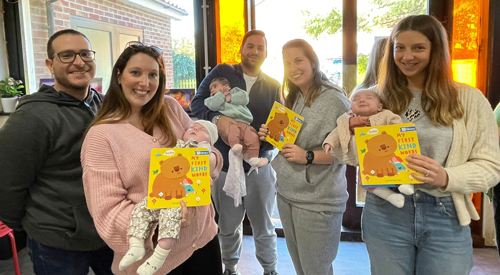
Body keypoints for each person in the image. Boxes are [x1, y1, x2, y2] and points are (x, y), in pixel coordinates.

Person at [343, 15, 500, 274]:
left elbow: (491, 167)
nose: (407, 56)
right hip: (386, 211)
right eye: (400, 47)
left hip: (445, 214)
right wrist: (350, 135)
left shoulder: (469, 100)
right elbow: (347, 156)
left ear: (436, 51)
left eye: (418, 48)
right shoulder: (373, 98)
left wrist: (446, 176)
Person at [81, 41, 223, 275]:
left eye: (153, 75)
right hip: (155, 263)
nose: (145, 83)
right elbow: (108, 212)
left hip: (204, 241)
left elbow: (208, 151)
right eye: (135, 72)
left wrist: (209, 163)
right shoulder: (101, 136)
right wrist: (163, 217)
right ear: (119, 75)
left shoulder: (170, 108)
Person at [0, 29, 114, 274]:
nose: (79, 62)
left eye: (85, 54)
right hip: (58, 241)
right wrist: (33, 226)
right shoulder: (31, 118)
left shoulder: (104, 105)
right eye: (67, 55)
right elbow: (9, 183)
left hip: (107, 229)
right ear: (50, 65)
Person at [190, 30, 281, 275]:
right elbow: (197, 104)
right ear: (241, 49)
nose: (255, 52)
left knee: (264, 225)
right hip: (226, 166)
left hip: (258, 165)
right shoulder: (222, 72)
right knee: (228, 225)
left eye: (260, 47)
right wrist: (218, 119)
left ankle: (270, 269)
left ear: (266, 52)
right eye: (250, 46)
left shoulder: (273, 85)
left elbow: (279, 126)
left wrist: (267, 139)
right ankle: (229, 268)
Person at [258, 39, 351, 275]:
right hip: (289, 193)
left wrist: (307, 156)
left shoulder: (334, 100)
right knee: (301, 267)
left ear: (313, 62)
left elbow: (348, 151)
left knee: (315, 269)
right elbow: (292, 140)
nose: (293, 68)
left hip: (318, 200)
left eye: (298, 60)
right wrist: (271, 134)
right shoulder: (296, 96)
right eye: (287, 63)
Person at [119, 120, 222, 275]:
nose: (194, 128)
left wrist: (203, 168)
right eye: (192, 127)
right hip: (162, 193)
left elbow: (199, 174)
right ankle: (136, 244)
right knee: (141, 209)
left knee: (172, 217)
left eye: (202, 130)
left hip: (180, 199)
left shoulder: (202, 149)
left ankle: (159, 255)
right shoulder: (176, 146)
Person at [322, 89, 413, 208]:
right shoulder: (346, 121)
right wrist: (329, 143)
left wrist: (400, 134)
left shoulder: (385, 115)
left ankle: (406, 183)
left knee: (399, 167)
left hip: (387, 155)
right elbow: (337, 132)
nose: (362, 100)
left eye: (369, 98)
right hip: (368, 160)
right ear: (351, 107)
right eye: (356, 99)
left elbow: (398, 125)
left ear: (379, 107)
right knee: (367, 182)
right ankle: (390, 196)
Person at [205, 76, 268, 167]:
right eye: (210, 89)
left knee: (253, 137)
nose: (212, 90)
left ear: (226, 86)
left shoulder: (235, 91)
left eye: (215, 86)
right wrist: (221, 95)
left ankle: (254, 158)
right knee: (233, 133)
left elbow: (245, 98)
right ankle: (235, 146)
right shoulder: (213, 100)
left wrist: (230, 97)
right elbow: (212, 105)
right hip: (231, 123)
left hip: (245, 123)